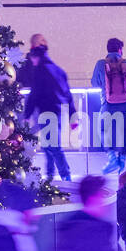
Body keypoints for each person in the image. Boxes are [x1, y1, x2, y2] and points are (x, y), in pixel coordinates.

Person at [23, 42, 75, 182]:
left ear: (36, 57)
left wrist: (27, 114)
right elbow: (68, 95)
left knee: (53, 146)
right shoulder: (58, 70)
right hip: (58, 112)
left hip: (46, 112)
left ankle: (64, 175)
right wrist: (72, 116)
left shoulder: (41, 71)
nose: (32, 62)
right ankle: (51, 175)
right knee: (48, 145)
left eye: (32, 58)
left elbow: (35, 94)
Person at [90, 37, 126, 174]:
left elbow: (94, 83)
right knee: (124, 131)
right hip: (125, 103)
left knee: (102, 130)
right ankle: (122, 160)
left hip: (107, 103)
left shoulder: (100, 64)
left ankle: (111, 158)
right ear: (120, 49)